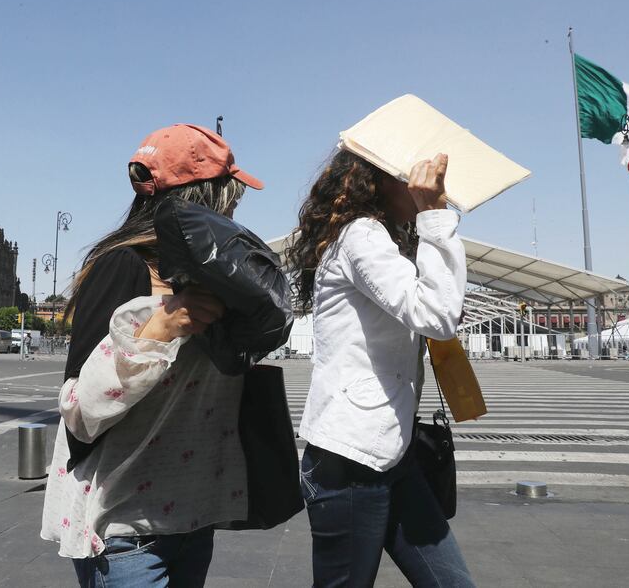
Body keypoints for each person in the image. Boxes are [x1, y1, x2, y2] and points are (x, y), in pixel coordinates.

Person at [41, 124, 264, 587]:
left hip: (192, 516)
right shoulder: (124, 265)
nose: (237, 203)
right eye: (230, 190)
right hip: (126, 530)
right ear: (207, 195)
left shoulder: (218, 279)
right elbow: (79, 414)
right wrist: (158, 329)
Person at [286, 150, 474, 587]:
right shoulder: (360, 235)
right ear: (382, 179)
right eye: (417, 176)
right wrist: (434, 214)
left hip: (392, 451)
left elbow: (437, 310)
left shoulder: (386, 239)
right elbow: (438, 315)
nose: (432, 186)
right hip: (350, 459)